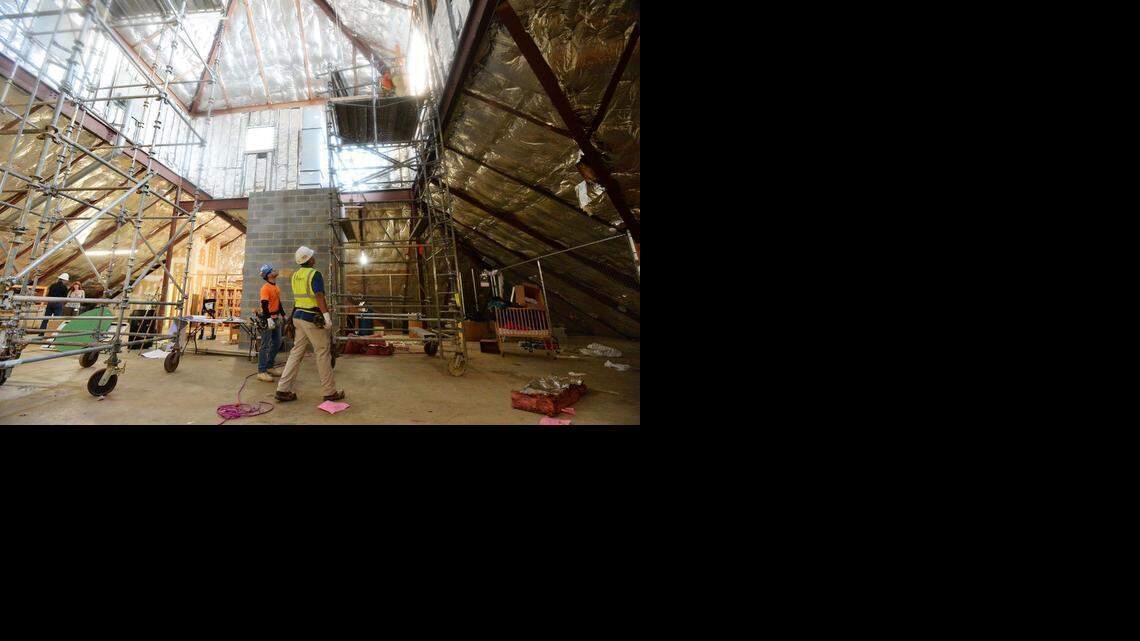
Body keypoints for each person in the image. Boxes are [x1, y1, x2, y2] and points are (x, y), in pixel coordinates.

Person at [275, 246, 344, 402]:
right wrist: (327, 317)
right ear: (309, 259)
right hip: (311, 319)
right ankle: (329, 391)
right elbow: (319, 296)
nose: (314, 257)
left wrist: (291, 320)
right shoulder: (315, 274)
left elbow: (300, 299)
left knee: (296, 352)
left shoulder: (295, 275)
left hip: (298, 317)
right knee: (322, 352)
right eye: (312, 256)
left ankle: (283, 389)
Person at [255, 263, 286, 382]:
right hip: (267, 319)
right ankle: (261, 371)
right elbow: (264, 304)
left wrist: (283, 314)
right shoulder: (265, 288)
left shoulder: (276, 287)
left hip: (275, 318)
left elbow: (279, 302)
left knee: (277, 342)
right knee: (265, 345)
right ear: (268, 275)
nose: (275, 271)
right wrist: (268, 319)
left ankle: (270, 366)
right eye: (272, 270)